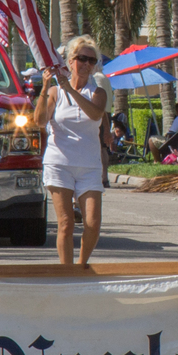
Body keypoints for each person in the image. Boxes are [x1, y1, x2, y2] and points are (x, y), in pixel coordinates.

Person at [36, 36, 109, 266]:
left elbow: (95, 114)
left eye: (91, 60)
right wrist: (46, 88)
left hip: (89, 166)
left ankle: (81, 265)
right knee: (66, 224)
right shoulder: (56, 93)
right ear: (70, 61)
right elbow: (38, 121)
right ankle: (66, 273)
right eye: (82, 59)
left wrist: (71, 89)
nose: (87, 64)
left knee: (92, 224)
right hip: (59, 163)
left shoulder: (97, 93)